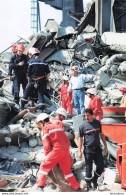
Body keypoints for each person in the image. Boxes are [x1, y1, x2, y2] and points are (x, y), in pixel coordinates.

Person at [35, 111, 81, 192]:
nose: (40, 126)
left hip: (56, 150)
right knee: (67, 172)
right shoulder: (58, 126)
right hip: (65, 150)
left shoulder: (45, 129)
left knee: (44, 167)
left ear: (42, 121)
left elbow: (46, 146)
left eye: (39, 124)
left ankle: (40, 187)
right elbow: (67, 141)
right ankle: (77, 188)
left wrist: (48, 157)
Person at [78, 108, 108, 191]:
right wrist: (79, 151)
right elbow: (80, 139)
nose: (86, 117)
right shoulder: (82, 126)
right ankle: (88, 186)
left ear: (92, 115)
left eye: (88, 116)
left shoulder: (97, 123)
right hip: (88, 150)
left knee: (101, 166)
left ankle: (94, 179)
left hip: (98, 149)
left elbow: (102, 135)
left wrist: (105, 146)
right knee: (89, 168)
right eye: (85, 116)